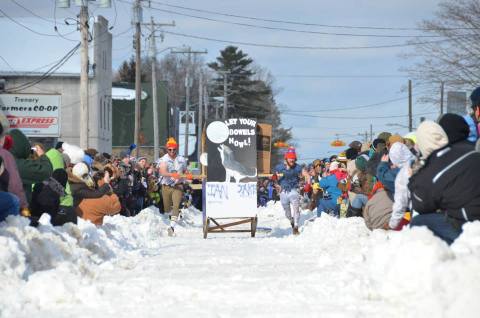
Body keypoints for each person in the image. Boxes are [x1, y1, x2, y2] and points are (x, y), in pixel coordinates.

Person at [408, 119, 471, 245]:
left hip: (465, 223)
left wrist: (413, 179)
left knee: (417, 222)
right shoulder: (469, 150)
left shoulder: (435, 163)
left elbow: (421, 204)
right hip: (469, 216)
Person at [8, 129, 53, 204]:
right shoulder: (17, 165)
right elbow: (46, 172)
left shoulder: (8, 160)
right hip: (15, 210)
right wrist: (42, 155)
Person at [158, 137, 190, 236]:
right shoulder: (164, 159)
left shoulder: (182, 159)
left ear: (177, 149)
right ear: (167, 149)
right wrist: (172, 175)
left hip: (178, 185)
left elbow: (185, 170)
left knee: (176, 206)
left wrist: (188, 174)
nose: (172, 151)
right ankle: (171, 219)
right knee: (167, 208)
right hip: (166, 186)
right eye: (170, 149)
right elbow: (162, 172)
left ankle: (172, 226)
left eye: (174, 149)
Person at [274, 147, 306, 235]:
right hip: (283, 192)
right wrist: (277, 185)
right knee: (287, 213)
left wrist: (306, 183)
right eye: (290, 158)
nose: (292, 160)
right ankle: (291, 220)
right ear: (286, 158)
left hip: (294, 190)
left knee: (296, 209)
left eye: (293, 158)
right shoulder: (279, 167)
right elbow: (274, 178)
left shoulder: (298, 167)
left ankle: (296, 226)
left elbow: (306, 174)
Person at [386, 142, 416, 230]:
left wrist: (392, 224)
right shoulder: (423, 160)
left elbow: (400, 204)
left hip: (418, 213)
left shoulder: (403, 174)